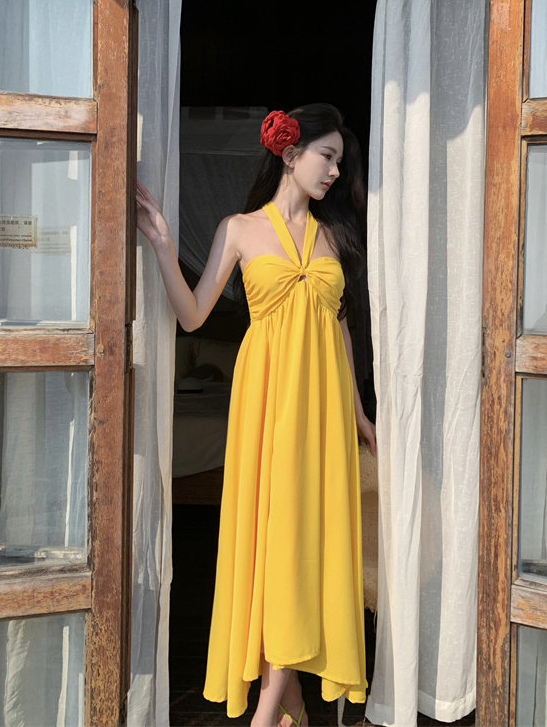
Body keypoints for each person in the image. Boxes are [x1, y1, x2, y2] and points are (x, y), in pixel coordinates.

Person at [136, 103, 376, 727]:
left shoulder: (334, 237)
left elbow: (340, 330)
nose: (334, 172)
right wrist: (163, 243)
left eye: (339, 162)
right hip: (267, 407)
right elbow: (193, 315)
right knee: (272, 547)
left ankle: (281, 704)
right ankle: (279, 704)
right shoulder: (239, 229)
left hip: (322, 413)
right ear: (290, 154)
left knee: (307, 545)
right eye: (327, 157)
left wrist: (358, 416)